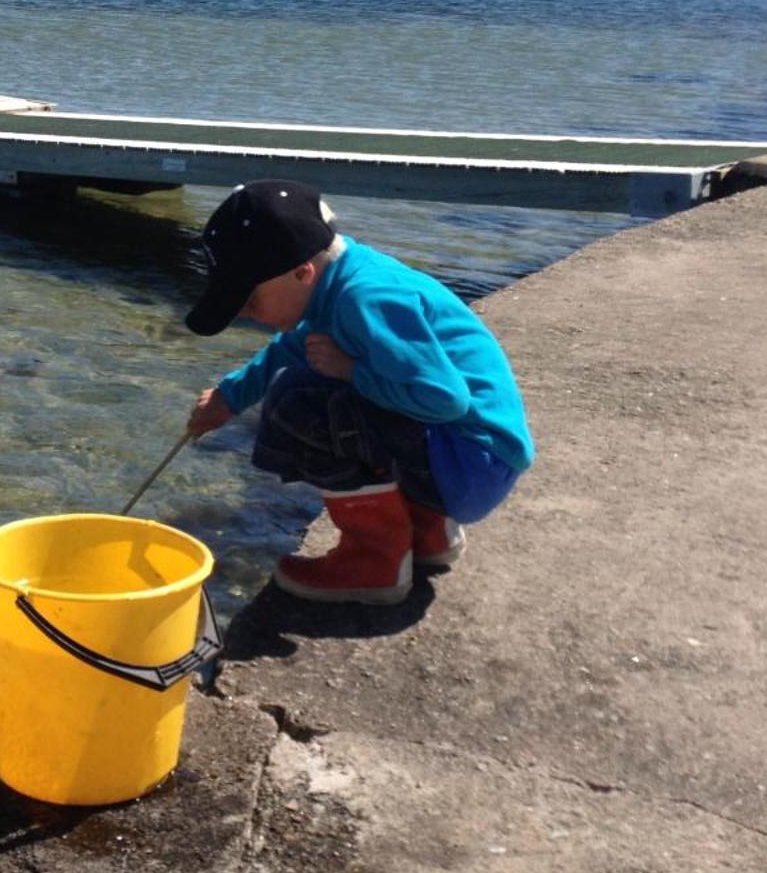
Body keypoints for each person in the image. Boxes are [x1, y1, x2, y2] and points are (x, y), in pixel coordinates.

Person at [182, 179, 533, 604]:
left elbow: (447, 399)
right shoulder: (335, 282)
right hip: (469, 455)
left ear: (301, 272)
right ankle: (427, 532)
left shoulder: (368, 297)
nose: (248, 315)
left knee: (297, 401)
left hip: (472, 463)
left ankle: (374, 561)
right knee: (312, 373)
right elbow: (291, 344)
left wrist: (352, 372)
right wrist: (229, 396)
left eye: (251, 302)